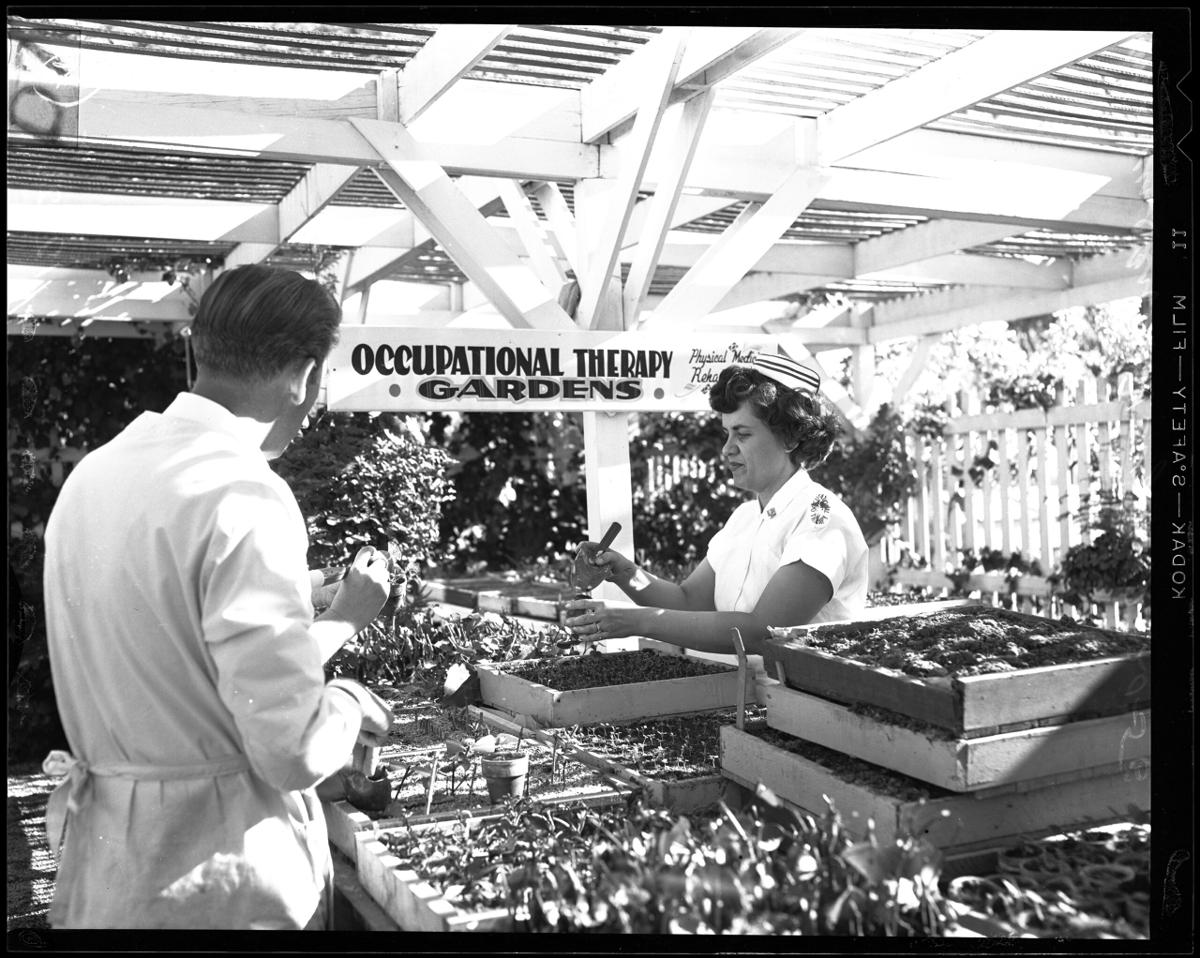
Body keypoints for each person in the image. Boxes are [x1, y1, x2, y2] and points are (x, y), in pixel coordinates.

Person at [41, 265, 396, 929]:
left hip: (108, 872)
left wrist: (325, 610)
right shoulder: (246, 493)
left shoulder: (93, 476)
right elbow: (291, 749)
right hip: (218, 880)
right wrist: (348, 701)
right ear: (301, 374)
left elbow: (175, 653)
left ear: (199, 350)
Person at [565, 352, 868, 657]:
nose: (727, 449)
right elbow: (688, 602)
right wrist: (624, 572)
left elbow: (763, 631)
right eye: (727, 433)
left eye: (743, 434)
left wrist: (638, 621)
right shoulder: (744, 518)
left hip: (801, 701)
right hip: (741, 693)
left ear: (790, 437)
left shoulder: (821, 517)